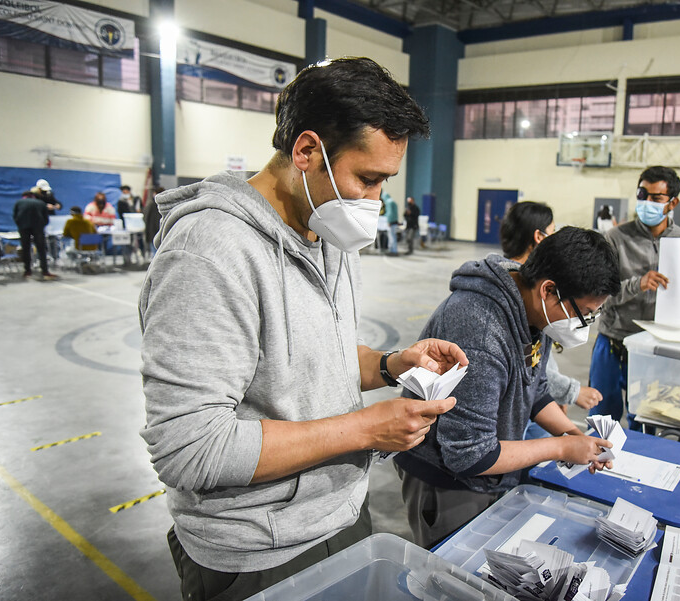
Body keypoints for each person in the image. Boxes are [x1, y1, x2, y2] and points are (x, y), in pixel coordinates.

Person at [139, 57, 466, 601]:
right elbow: (188, 447)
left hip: (340, 514)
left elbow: (313, 361)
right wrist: (366, 429)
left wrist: (391, 365)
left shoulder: (326, 231)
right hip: (259, 551)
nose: (374, 202)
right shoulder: (209, 252)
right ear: (307, 151)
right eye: (367, 179)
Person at [394, 227, 621, 547]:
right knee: (449, 579)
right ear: (549, 290)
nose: (583, 325)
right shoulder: (481, 330)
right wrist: (561, 448)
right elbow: (470, 454)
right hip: (446, 479)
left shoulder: (531, 311)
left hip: (488, 464)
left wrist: (574, 435)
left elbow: (535, 388)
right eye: (583, 314)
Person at [588, 166, 680, 427]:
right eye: (643, 195)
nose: (646, 203)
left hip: (656, 347)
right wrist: (637, 285)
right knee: (601, 419)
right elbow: (597, 295)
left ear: (673, 202)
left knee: (647, 418)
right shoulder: (615, 239)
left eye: (656, 198)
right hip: (614, 342)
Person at [499, 201, 604, 419]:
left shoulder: (536, 295)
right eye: (552, 232)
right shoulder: (523, 300)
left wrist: (550, 394)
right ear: (539, 237)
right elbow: (526, 361)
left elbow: (536, 360)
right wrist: (569, 392)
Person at [13, 188, 58, 280]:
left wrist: (21, 225)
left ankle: (27, 271)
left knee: (26, 249)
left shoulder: (19, 203)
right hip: (38, 228)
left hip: (23, 227)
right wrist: (41, 226)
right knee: (41, 249)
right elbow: (46, 218)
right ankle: (45, 271)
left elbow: (15, 216)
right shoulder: (40, 203)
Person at [143, 186, 163, 254]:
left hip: (154, 233)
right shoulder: (167, 207)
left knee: (156, 254)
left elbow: (147, 219)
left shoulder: (153, 206)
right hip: (159, 233)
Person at [383, 190, 399, 255]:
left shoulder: (389, 202)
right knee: (393, 237)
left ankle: (393, 251)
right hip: (395, 222)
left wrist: (388, 221)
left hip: (391, 222)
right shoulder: (393, 201)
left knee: (392, 237)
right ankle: (393, 250)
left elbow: (390, 213)